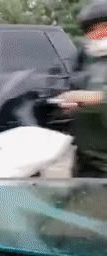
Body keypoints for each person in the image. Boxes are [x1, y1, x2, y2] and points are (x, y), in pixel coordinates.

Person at [56, 0, 107, 177]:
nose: (96, 35)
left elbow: (100, 97)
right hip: (87, 157)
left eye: (103, 28)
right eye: (91, 30)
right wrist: (74, 106)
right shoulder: (89, 62)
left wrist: (84, 96)